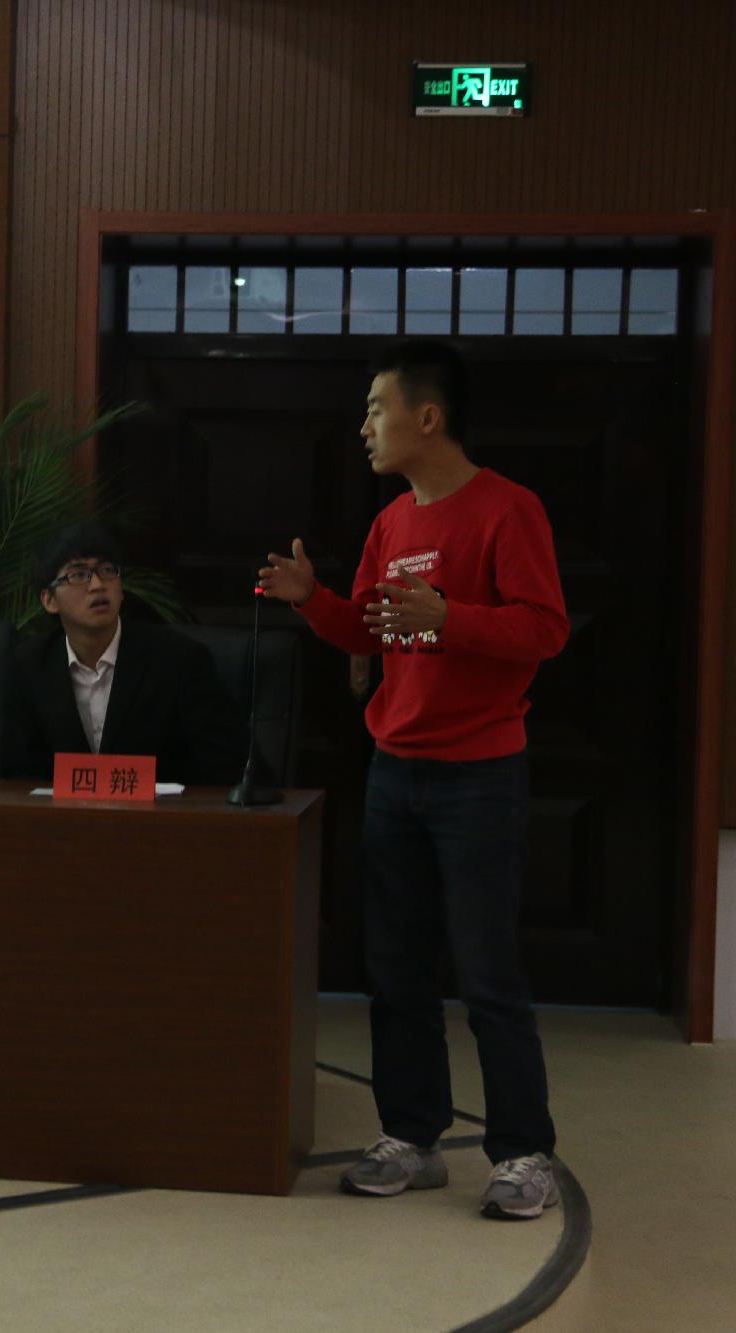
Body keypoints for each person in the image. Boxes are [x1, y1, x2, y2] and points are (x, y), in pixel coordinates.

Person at [259, 339, 570, 1221]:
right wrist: (310, 599)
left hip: (480, 774)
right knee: (395, 970)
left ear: (426, 417)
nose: (364, 425)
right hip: (395, 771)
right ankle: (412, 1136)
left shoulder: (508, 509)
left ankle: (523, 1152)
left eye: (375, 408)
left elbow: (544, 629)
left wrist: (450, 617)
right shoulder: (392, 522)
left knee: (488, 973)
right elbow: (368, 631)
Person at [4, 522, 240, 786]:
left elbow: (228, 770)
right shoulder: (29, 666)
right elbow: (16, 775)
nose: (97, 585)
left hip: (160, 811)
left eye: (107, 571)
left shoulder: (179, 661)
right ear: (49, 600)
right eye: (78, 574)